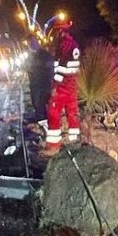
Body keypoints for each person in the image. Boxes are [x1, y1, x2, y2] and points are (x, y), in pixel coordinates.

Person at [42, 21, 81, 157]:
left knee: (54, 114)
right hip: (72, 86)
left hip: (62, 87)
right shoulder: (74, 45)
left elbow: (61, 69)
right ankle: (74, 141)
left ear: (60, 32)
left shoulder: (64, 46)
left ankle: (53, 146)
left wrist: (54, 86)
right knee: (72, 114)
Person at [26, 36, 54, 120]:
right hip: (43, 85)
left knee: (39, 107)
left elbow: (28, 68)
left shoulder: (35, 56)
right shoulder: (45, 54)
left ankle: (42, 123)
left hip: (39, 86)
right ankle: (45, 122)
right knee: (44, 107)